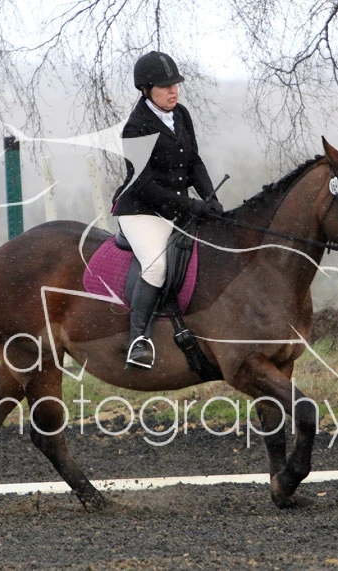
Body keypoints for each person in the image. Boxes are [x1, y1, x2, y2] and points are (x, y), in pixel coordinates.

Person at [111, 50, 224, 370]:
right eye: (165, 86)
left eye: (175, 84)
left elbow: (194, 162)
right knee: (156, 266)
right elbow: (144, 185)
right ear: (146, 90)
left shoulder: (181, 114)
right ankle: (139, 340)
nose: (173, 91)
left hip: (176, 206)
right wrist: (192, 205)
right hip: (141, 210)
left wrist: (211, 199)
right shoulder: (135, 128)